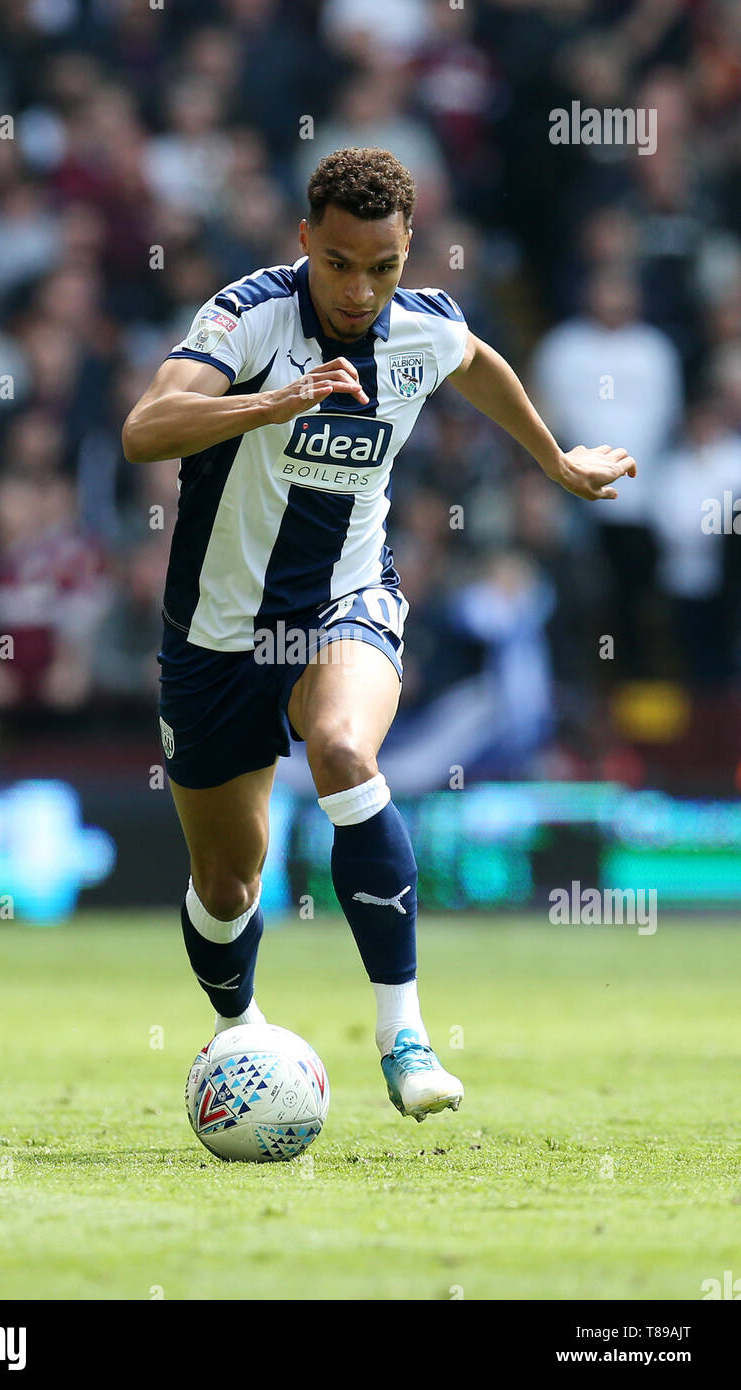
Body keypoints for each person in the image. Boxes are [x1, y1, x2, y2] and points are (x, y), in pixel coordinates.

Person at [122, 147, 636, 1123]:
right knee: (227, 882)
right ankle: (240, 1024)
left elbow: (476, 363)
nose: (359, 289)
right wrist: (271, 402)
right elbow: (147, 428)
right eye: (340, 263)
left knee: (344, 748)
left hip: (345, 601)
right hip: (219, 631)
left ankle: (402, 1033)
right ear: (304, 241)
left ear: (408, 253)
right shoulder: (246, 316)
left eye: (384, 266)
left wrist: (557, 460)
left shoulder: (422, 329)